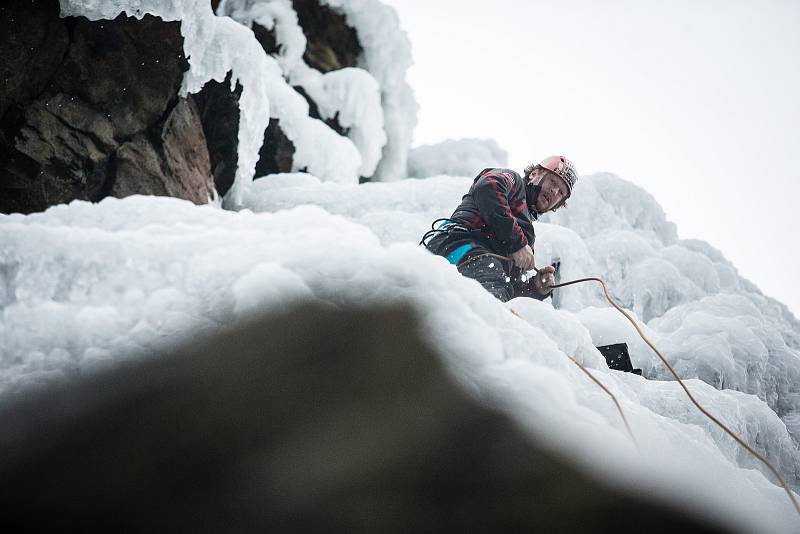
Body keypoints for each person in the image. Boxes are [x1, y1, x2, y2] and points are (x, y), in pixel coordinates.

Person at [422, 155, 577, 302]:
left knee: (501, 299)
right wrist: (517, 243)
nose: (554, 191)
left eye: (561, 193)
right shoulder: (513, 181)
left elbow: (510, 289)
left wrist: (535, 288)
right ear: (534, 174)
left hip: (477, 264)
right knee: (494, 298)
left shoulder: (527, 237)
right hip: (457, 245)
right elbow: (488, 186)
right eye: (553, 182)